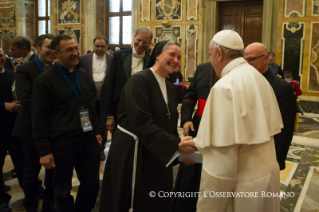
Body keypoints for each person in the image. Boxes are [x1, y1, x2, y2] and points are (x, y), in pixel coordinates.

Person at [180, 30, 282, 212]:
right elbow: (246, 133)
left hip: (243, 187)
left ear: (219, 54)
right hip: (266, 176)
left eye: (211, 55)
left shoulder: (224, 87)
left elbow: (221, 169)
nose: (211, 61)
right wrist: (200, 141)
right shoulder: (257, 76)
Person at [99, 40, 196, 212]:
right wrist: (175, 144)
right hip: (133, 151)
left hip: (156, 149)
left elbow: (170, 123)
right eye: (172, 54)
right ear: (158, 55)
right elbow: (141, 123)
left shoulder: (170, 87)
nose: (176, 60)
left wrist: (178, 150)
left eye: (179, 57)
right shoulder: (139, 81)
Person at [32, 35, 101, 212]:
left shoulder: (82, 75)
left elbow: (90, 105)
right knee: (62, 190)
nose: (75, 53)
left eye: (75, 48)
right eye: (69, 50)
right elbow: (39, 119)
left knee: (92, 185)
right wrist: (44, 151)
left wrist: (96, 131)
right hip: (61, 143)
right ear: (56, 53)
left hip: (86, 139)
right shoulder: (44, 81)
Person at [12, 34, 56, 212]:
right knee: (31, 170)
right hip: (30, 128)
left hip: (53, 129)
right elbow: (26, 99)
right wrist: (54, 110)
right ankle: (30, 204)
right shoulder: (25, 69)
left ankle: (49, 204)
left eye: (54, 48)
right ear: (38, 48)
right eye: (48, 47)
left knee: (53, 170)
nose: (52, 51)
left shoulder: (57, 68)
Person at [173, 62, 218, 212]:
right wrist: (186, 119)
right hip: (199, 125)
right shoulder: (203, 69)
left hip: (224, 128)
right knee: (192, 166)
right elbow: (190, 96)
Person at [245, 42, 296, 170]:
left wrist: (276, 161)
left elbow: (285, 130)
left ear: (266, 58)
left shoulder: (282, 88)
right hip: (244, 154)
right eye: (245, 60)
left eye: (252, 59)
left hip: (267, 154)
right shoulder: (242, 83)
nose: (248, 63)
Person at [105, 26, 152, 133]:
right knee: (120, 142)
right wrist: (109, 115)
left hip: (142, 109)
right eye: (138, 40)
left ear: (149, 43)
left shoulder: (151, 60)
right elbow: (111, 84)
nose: (140, 44)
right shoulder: (119, 55)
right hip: (120, 107)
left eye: (145, 42)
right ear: (134, 38)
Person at [78, 36, 113, 160]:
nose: (99, 49)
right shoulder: (83, 59)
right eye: (97, 46)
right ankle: (88, 147)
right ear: (93, 46)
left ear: (107, 47)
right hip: (87, 99)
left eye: (102, 46)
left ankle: (101, 149)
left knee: (102, 125)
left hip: (105, 100)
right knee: (87, 123)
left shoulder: (112, 59)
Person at [0, 48, 24, 212]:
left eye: (1, 55)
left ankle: (32, 192)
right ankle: (2, 200)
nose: (0, 59)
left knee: (23, 163)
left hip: (15, 128)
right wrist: (4, 106)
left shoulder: (12, 74)